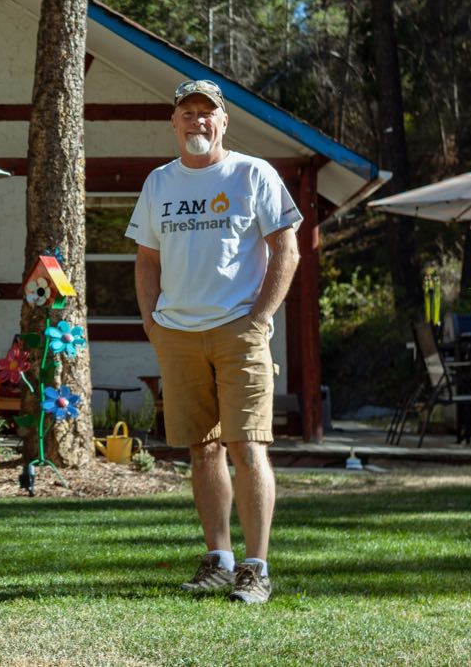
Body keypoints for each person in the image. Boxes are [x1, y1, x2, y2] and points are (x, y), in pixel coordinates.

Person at [128, 79, 301, 605]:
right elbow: (147, 259)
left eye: (207, 113)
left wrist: (260, 317)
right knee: (201, 451)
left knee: (247, 446)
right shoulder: (159, 182)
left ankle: (257, 567)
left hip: (238, 331)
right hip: (177, 333)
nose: (197, 122)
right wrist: (152, 323)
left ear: (224, 121)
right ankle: (219, 560)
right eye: (188, 114)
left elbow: (286, 250)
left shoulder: (252, 174)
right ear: (174, 123)